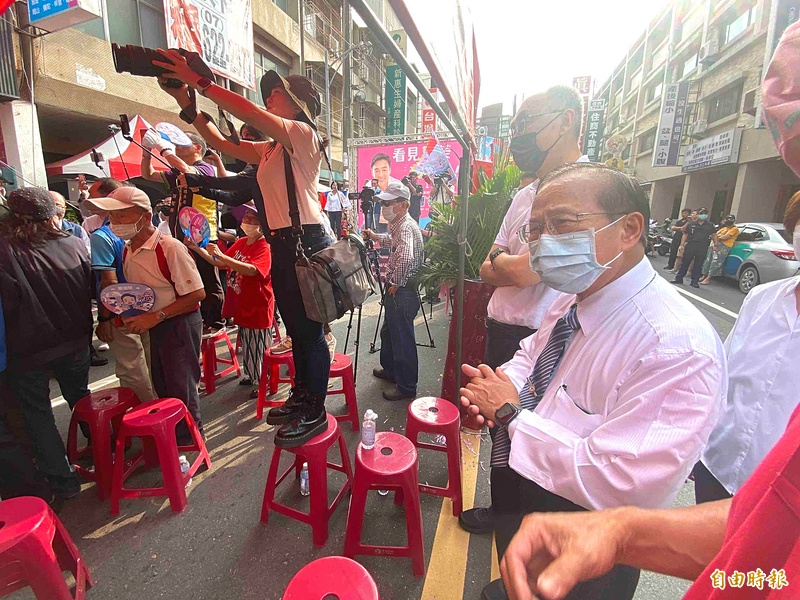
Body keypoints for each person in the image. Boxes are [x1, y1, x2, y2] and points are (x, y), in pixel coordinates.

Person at [459, 163, 726, 600]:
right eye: (535, 230)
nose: (544, 242)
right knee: (516, 578)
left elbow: (621, 483)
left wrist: (509, 413)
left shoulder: (677, 347)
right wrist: (497, 383)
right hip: (522, 488)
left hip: (587, 539)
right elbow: (533, 354)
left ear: (629, 229)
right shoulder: (572, 294)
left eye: (561, 223)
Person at [154, 50, 334, 448]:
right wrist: (187, 102)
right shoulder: (270, 148)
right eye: (267, 92)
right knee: (297, 331)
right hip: (286, 244)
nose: (268, 96)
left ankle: (315, 410)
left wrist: (203, 82)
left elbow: (249, 114)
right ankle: (303, 398)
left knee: (310, 333)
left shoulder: (303, 135)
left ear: (299, 105)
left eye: (277, 93)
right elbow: (222, 143)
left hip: (305, 241)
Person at [459, 86, 589, 537]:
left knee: (531, 436)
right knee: (499, 429)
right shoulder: (523, 195)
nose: (519, 136)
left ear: (567, 120)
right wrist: (511, 266)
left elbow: (527, 270)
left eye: (528, 122)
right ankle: (502, 515)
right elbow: (489, 263)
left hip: (546, 338)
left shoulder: (588, 192)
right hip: (503, 329)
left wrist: (509, 266)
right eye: (515, 126)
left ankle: (521, 534)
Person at [693, 200, 798, 504]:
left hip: (781, 495)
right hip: (718, 466)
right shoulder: (762, 299)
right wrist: (698, 445)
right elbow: (725, 376)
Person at [86, 186, 206, 445]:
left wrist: (156, 316)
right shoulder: (129, 248)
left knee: (181, 386)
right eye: (112, 217)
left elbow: (196, 294)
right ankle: (173, 435)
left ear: (144, 215)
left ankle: (189, 441)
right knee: (162, 385)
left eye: (121, 216)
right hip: (157, 322)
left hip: (179, 322)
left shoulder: (169, 247)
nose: (114, 223)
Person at [0, 187, 93, 499]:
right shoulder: (74, 243)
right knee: (80, 397)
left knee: (37, 414)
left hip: (28, 348)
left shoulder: (6, 249)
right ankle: (103, 449)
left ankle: (63, 480)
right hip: (75, 339)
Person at [140, 128, 225, 336]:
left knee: (207, 277)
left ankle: (214, 320)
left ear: (197, 148)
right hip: (181, 232)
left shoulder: (205, 168)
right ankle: (195, 313)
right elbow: (148, 174)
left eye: (182, 143)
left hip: (201, 233)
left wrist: (164, 149)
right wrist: (146, 152)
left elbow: (190, 173)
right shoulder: (178, 171)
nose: (177, 147)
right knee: (188, 276)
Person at [185, 206, 274, 399]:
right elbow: (219, 262)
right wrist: (196, 249)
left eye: (252, 220)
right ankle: (252, 375)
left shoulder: (264, 246)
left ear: (261, 225)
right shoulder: (242, 242)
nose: (247, 223)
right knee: (248, 345)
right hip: (242, 302)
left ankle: (264, 381)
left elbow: (253, 270)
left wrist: (223, 256)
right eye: (246, 219)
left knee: (259, 346)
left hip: (258, 304)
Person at [88, 179, 158, 404]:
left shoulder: (102, 237)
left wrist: (105, 318)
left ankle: (147, 415)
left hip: (123, 315)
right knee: (151, 365)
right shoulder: (147, 232)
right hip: (151, 308)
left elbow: (108, 281)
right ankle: (160, 407)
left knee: (132, 370)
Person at [363, 180, 424, 401]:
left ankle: (407, 386)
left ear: (404, 205)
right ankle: (391, 371)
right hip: (399, 290)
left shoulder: (405, 226)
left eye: (389, 203)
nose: (384, 207)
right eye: (383, 202)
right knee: (389, 333)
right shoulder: (400, 225)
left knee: (402, 339)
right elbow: (392, 241)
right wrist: (375, 236)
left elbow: (406, 256)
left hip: (402, 291)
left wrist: (396, 283)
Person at [672, 207, 714, 288]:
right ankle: (679, 278)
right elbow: (685, 233)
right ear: (698, 214)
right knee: (685, 262)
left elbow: (714, 235)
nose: (703, 215)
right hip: (691, 245)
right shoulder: (691, 224)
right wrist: (682, 244)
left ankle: (694, 281)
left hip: (703, 246)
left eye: (705, 213)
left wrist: (715, 245)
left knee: (698, 264)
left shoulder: (710, 225)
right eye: (701, 213)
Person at [699, 214, 739, 285]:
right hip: (713, 245)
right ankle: (704, 276)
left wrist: (717, 238)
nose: (729, 220)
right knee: (708, 261)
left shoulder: (734, 229)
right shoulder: (723, 229)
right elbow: (713, 235)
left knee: (715, 262)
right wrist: (717, 238)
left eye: (731, 219)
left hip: (723, 247)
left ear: (734, 220)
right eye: (727, 219)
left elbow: (725, 237)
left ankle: (708, 278)